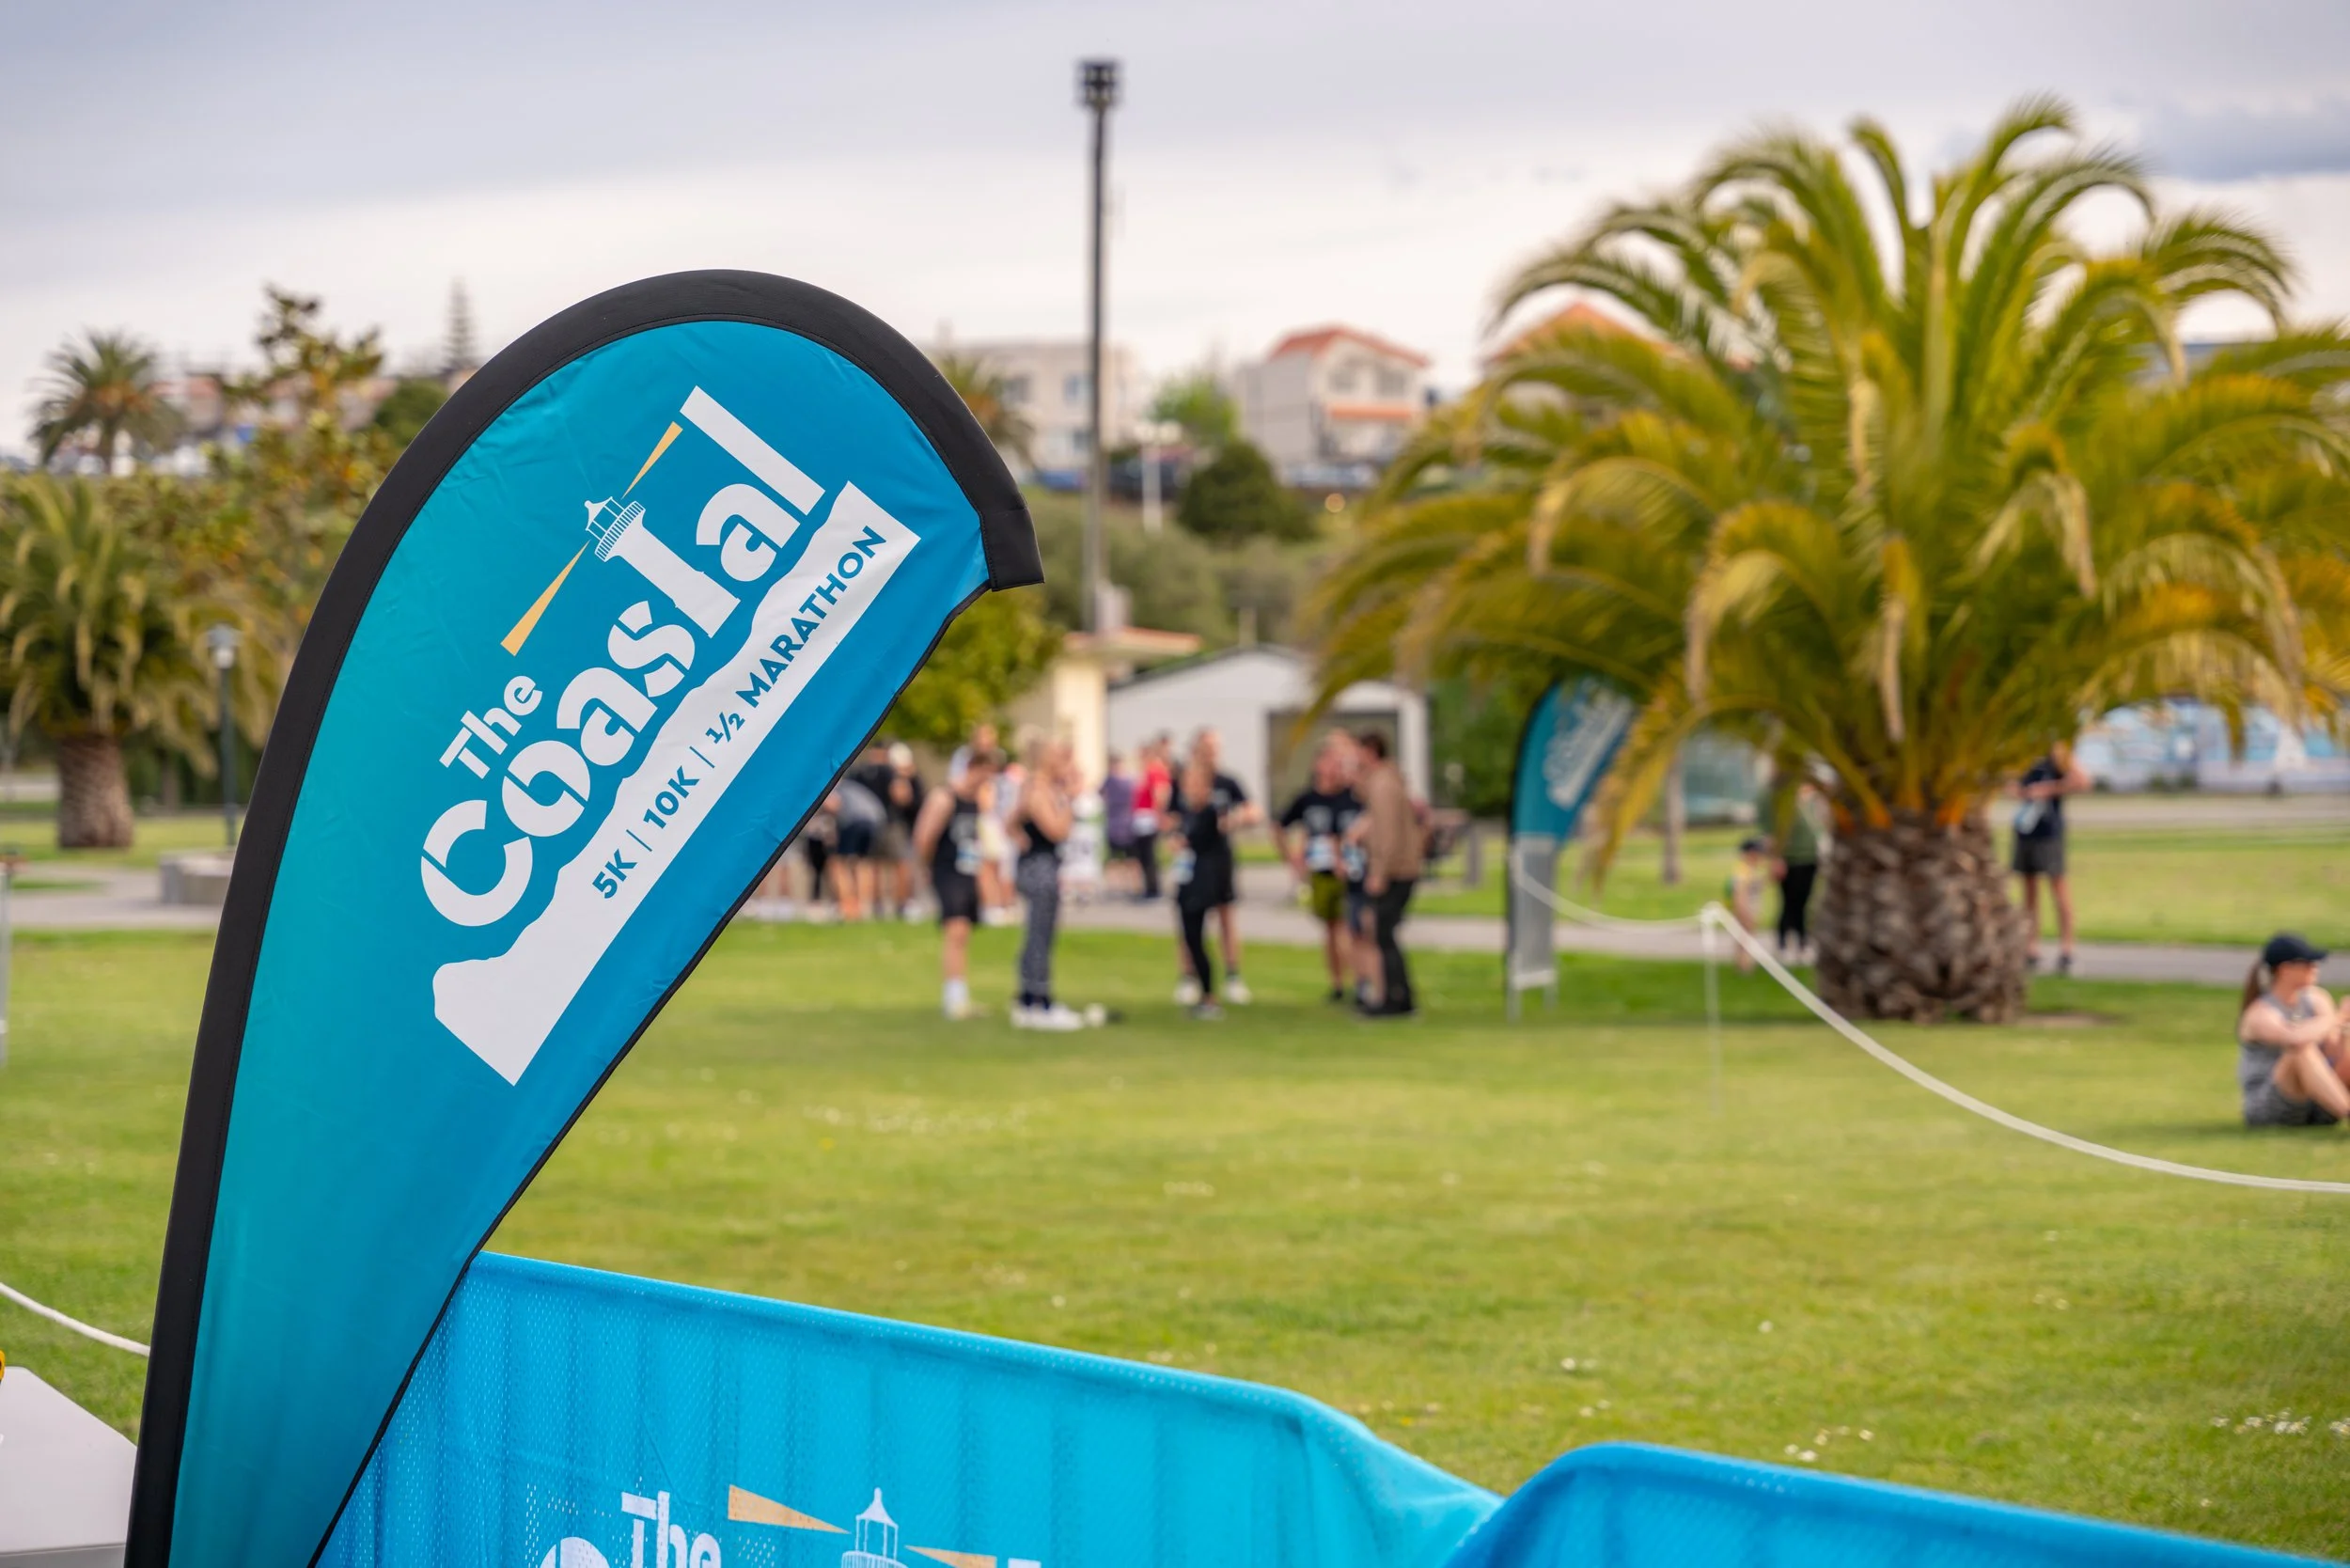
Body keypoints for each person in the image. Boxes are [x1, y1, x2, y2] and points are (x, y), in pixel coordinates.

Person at [1170, 729, 1258, 1017]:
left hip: (1217, 863)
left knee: (1224, 915)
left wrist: (1236, 819)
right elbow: (1169, 816)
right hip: (1189, 866)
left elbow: (1252, 810)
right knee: (1189, 924)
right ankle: (1190, 977)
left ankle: (1231, 976)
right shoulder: (1182, 787)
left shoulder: (1226, 784)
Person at [1277, 733, 1363, 1003]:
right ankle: (1338, 983)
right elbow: (1280, 825)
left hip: (1351, 872)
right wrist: (1291, 857)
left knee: (1347, 928)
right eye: (1332, 761)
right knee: (1330, 929)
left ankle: (1360, 981)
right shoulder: (1308, 799)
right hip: (1321, 871)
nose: (1336, 768)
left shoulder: (1354, 796)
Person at [914, 745, 997, 1020]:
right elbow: (924, 838)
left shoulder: (975, 800)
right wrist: (927, 868)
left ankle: (959, 994)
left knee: (964, 933)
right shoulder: (945, 797)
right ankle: (954, 998)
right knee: (956, 931)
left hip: (967, 871)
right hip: (946, 871)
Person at [2237, 933, 2349, 1128]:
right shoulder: (2260, 1014)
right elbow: (2294, 1040)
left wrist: (2344, 1032)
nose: (2315, 968)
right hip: (2269, 1108)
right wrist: (2337, 1017)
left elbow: (2332, 1050)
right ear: (2285, 969)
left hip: (2318, 1102)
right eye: (2307, 964)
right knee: (2300, 1050)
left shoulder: (2317, 999)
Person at [1009, 738, 1084, 1029]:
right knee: (1040, 933)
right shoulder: (1037, 789)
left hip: (1041, 864)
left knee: (1040, 932)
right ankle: (1037, 1000)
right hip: (1040, 868)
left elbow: (1010, 821)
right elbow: (1056, 831)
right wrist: (1072, 801)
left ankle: (1030, 996)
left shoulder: (1037, 787)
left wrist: (1019, 837)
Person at [1355, 729, 1422, 1018]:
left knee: (1384, 934)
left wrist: (1378, 871)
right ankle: (1400, 996)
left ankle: (1396, 999)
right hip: (1400, 868)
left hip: (1396, 870)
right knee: (1385, 933)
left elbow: (1386, 832)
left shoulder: (1383, 784)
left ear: (1370, 751)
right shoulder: (1386, 780)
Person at [2012, 741, 2089, 974]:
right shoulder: (2022, 754)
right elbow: (2010, 783)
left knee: (2059, 890)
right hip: (2026, 830)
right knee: (2029, 893)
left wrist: (2048, 789)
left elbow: (2082, 781)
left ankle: (2067, 949)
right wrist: (2018, 791)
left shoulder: (2057, 752)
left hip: (2050, 834)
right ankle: (2031, 949)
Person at [1767, 776, 1824, 958]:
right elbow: (1776, 833)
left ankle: (1802, 942)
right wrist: (1777, 859)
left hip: (1810, 859)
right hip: (1791, 860)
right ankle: (1783, 942)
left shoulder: (1814, 805)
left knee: (1803, 902)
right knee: (1789, 902)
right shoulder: (1788, 805)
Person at [1132, 736, 1171, 902]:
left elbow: (1160, 793)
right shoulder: (1146, 770)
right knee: (1143, 854)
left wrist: (1159, 814)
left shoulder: (1155, 770)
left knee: (1149, 855)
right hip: (1141, 817)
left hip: (1148, 817)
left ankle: (1153, 889)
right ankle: (1148, 886)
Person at [1726, 836, 1770, 974]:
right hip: (1744, 909)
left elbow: (1757, 886)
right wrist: (1744, 913)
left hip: (1749, 908)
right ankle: (1744, 966)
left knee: (1746, 936)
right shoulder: (1742, 871)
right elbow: (1739, 893)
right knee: (1744, 937)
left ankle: (1744, 964)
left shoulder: (1750, 870)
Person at [1100, 751, 1139, 897]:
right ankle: (1119, 887)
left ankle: (1125, 887)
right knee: (1117, 858)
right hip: (1119, 823)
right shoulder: (1125, 781)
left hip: (1123, 824)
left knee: (1126, 858)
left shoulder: (1116, 781)